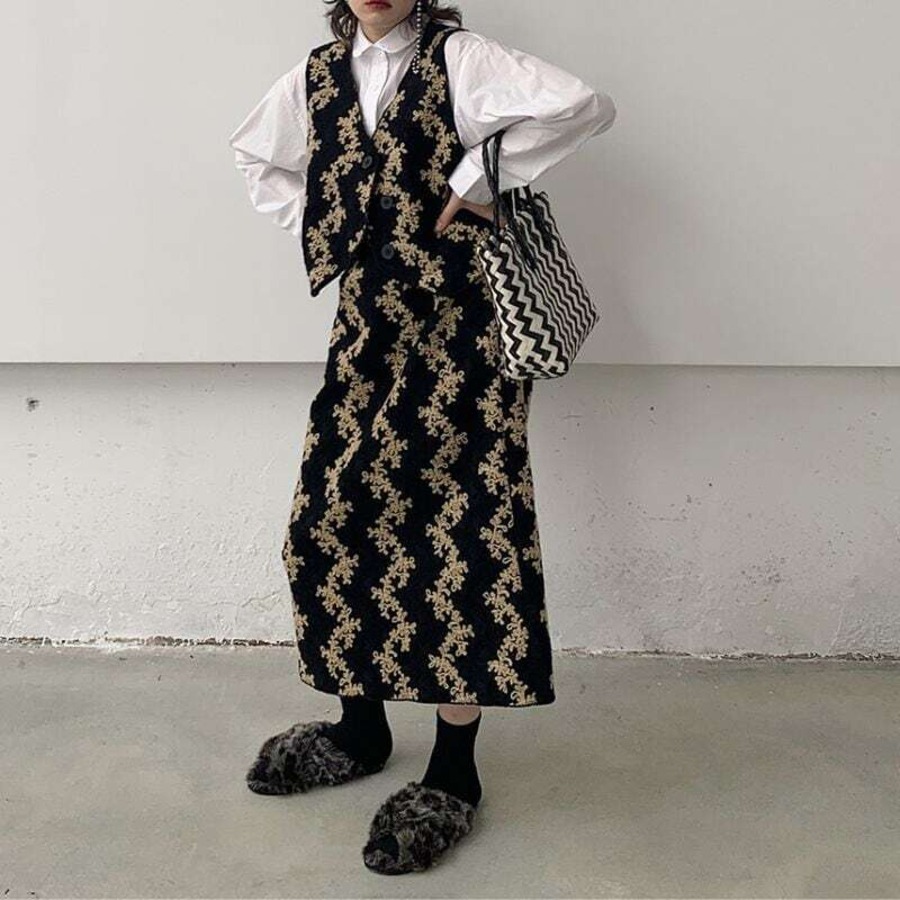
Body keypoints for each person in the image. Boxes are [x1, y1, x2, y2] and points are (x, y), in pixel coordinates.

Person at [228, 0, 616, 875]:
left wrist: (478, 175)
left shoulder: (461, 58)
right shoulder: (316, 76)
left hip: (464, 334)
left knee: (461, 539)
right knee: (329, 522)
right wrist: (334, 222)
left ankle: (453, 771)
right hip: (366, 328)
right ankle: (359, 728)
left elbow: (581, 104)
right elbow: (257, 154)